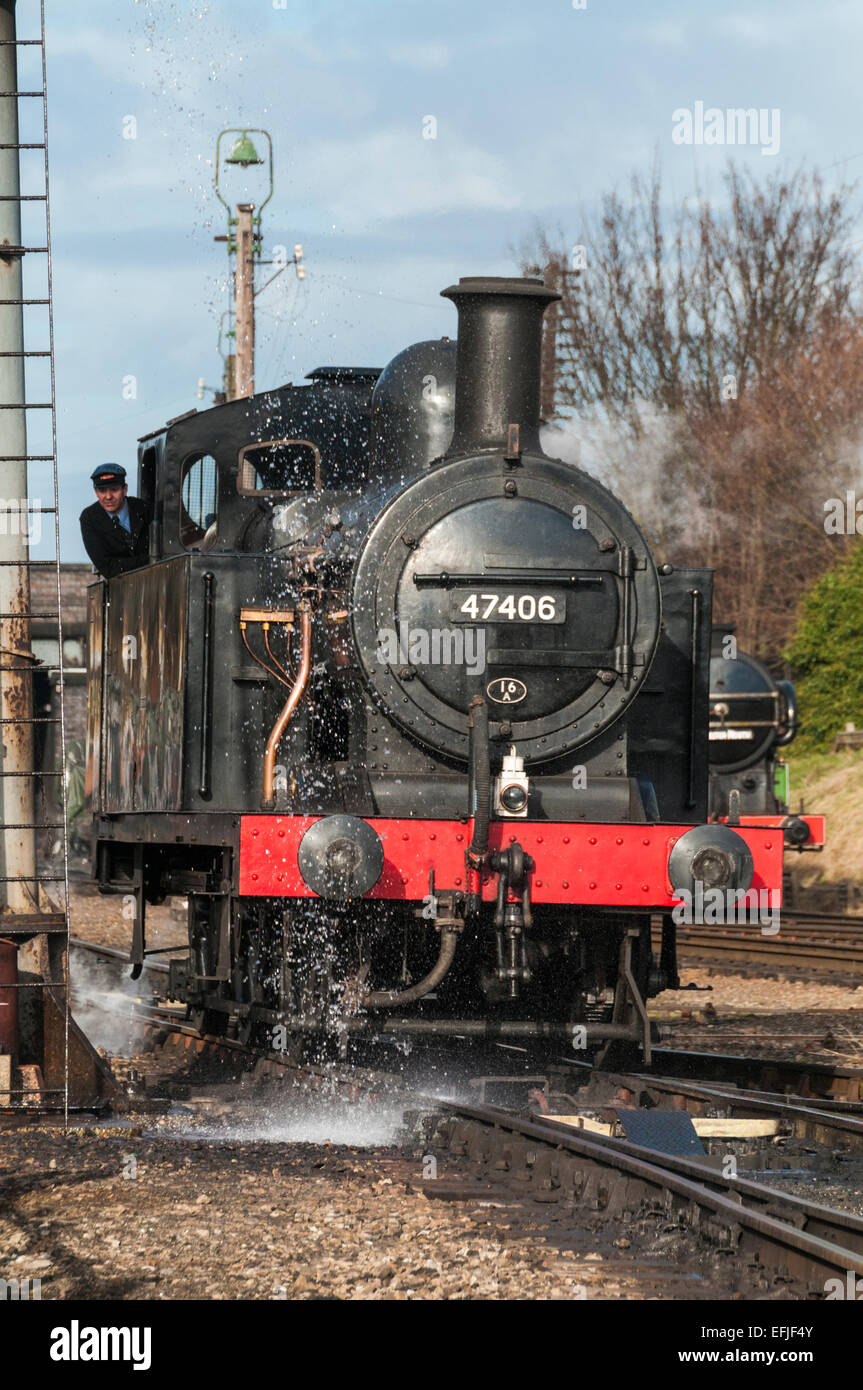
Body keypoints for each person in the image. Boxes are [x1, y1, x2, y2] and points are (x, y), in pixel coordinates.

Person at [79, 464, 150, 579]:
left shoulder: (144, 508)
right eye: (102, 491)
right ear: (96, 492)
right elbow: (107, 568)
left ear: (125, 489)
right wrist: (147, 561)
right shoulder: (89, 518)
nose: (108, 497)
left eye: (114, 489)